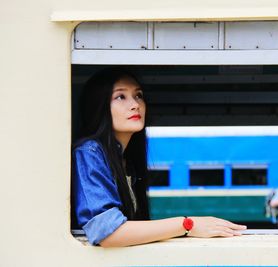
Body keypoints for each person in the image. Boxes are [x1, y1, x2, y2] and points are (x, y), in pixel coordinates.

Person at [71, 67, 246, 247]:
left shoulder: (126, 161)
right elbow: (107, 232)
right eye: (120, 97)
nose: (135, 105)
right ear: (99, 106)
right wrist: (188, 224)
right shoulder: (89, 153)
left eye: (138, 95)